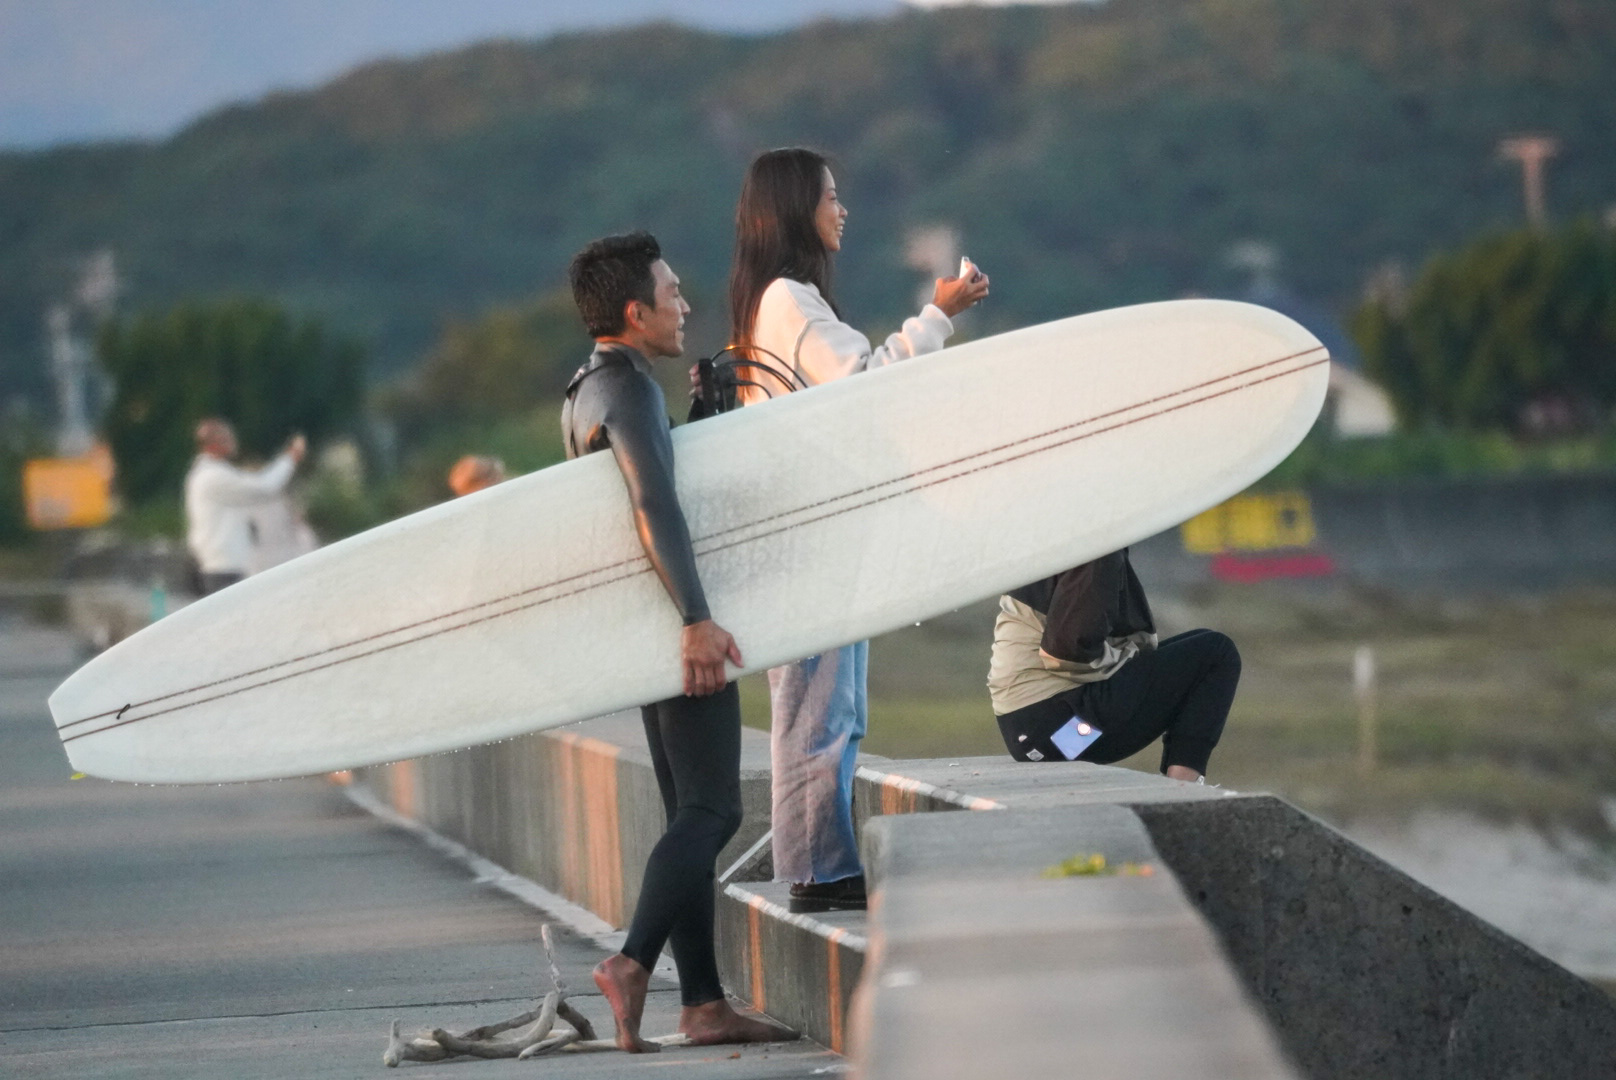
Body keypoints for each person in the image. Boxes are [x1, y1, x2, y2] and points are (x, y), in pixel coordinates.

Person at [726, 147, 990, 913]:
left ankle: (820, 866)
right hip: (810, 543)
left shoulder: (772, 300)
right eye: (830, 197)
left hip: (806, 537)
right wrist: (939, 314)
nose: (842, 210)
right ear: (793, 210)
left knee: (823, 708)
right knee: (820, 713)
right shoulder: (787, 299)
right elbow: (866, 384)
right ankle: (818, 872)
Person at [563, 232, 789, 1053]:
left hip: (644, 627)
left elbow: (651, 484)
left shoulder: (588, 388)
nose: (685, 303)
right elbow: (653, 505)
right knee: (713, 808)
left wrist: (703, 411)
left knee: (687, 809)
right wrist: (696, 618)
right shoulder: (627, 389)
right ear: (635, 310)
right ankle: (632, 963)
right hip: (675, 624)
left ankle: (702, 1005)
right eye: (673, 292)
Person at [989, 548, 1241, 781]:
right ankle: (1184, 786)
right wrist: (1125, 660)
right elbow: (1066, 653)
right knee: (1216, 653)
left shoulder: (1055, 543)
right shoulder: (1096, 547)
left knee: (1196, 645)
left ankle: (1182, 783)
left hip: (1033, 732)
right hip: (1061, 736)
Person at [184, 418, 306, 595]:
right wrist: (290, 459)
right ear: (212, 445)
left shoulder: (215, 472)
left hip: (225, 566)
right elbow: (264, 488)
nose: (233, 441)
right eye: (226, 438)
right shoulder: (213, 477)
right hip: (222, 568)